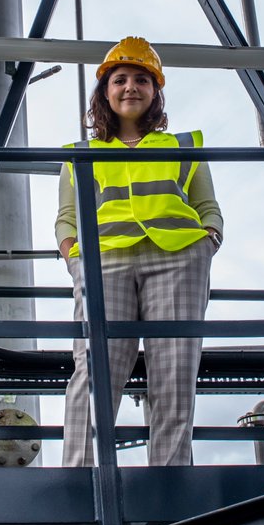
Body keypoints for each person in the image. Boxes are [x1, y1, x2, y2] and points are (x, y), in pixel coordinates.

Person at [55, 35, 223, 466]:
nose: (130, 87)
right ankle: (78, 480)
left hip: (177, 259)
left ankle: (169, 483)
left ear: (155, 91)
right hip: (103, 262)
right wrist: (74, 258)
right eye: (120, 80)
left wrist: (208, 241)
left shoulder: (183, 146)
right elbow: (67, 218)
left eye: (141, 80)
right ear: (105, 91)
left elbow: (207, 207)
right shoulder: (81, 154)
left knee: (174, 376)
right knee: (95, 372)